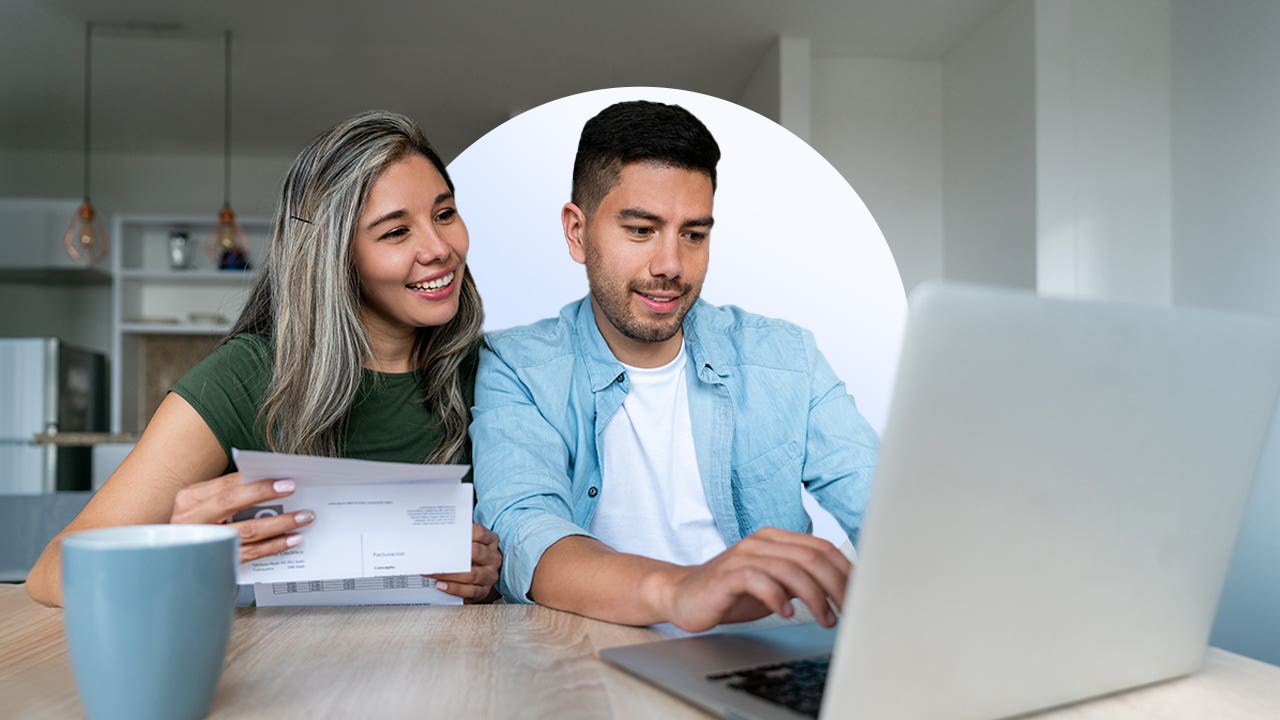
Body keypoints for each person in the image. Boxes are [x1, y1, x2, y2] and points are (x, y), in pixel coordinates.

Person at [27, 110, 501, 607]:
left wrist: (497, 574)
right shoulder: (244, 378)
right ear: (332, 257)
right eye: (396, 232)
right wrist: (178, 555)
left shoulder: (497, 373)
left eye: (444, 214)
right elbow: (51, 571)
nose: (440, 248)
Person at [471, 100, 880, 632]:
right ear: (576, 232)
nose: (671, 266)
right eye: (642, 230)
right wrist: (681, 589)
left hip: (761, 649)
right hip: (590, 652)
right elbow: (526, 533)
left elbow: (888, 511)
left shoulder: (786, 359)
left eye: (693, 235)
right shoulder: (517, 366)